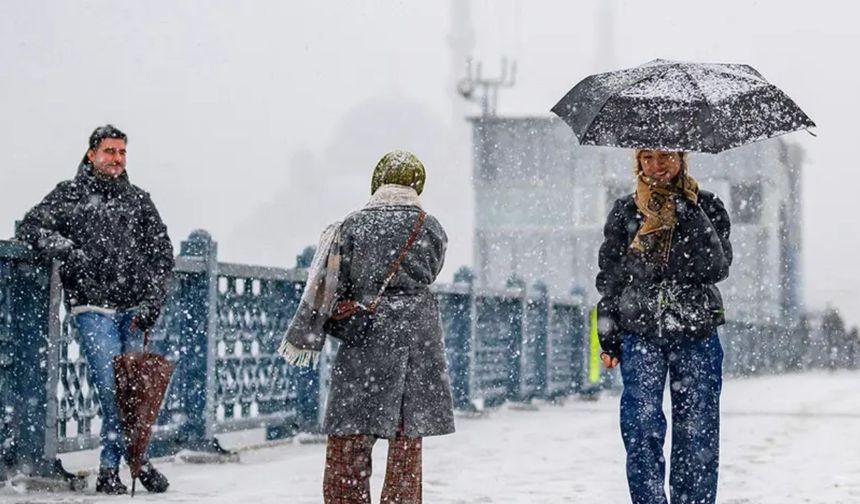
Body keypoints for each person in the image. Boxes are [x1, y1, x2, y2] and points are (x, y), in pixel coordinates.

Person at [280, 150, 455, 503]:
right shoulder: (431, 226)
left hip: (367, 338)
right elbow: (433, 270)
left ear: (378, 181)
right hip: (416, 339)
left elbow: (336, 282)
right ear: (417, 184)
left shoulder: (353, 225)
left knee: (350, 440)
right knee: (406, 444)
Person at [16, 125, 174, 494]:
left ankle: (120, 466)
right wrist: (68, 251)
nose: (117, 159)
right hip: (92, 307)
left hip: (134, 310)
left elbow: (162, 253)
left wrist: (153, 300)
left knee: (135, 393)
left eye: (122, 152)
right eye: (109, 151)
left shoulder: (138, 200)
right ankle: (126, 464)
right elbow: (31, 227)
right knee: (113, 389)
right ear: (92, 154)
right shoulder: (69, 195)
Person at [596, 149, 732, 504]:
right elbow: (611, 278)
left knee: (698, 431)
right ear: (638, 162)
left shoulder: (707, 206)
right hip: (641, 332)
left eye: (666, 156)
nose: (657, 165)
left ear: (681, 158)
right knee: (641, 426)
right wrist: (608, 336)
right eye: (648, 157)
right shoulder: (627, 211)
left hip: (696, 331)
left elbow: (716, 266)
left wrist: (690, 212)